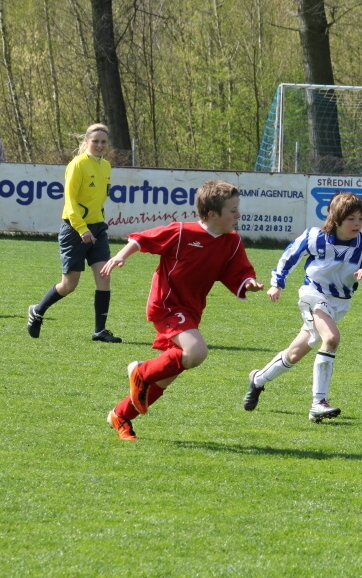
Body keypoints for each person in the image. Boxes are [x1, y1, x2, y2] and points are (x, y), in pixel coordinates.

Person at [100, 180, 265, 441]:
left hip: (191, 311)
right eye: (232, 210)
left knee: (168, 375)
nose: (238, 215)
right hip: (166, 305)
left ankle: (120, 416)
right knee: (196, 352)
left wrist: (249, 282)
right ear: (212, 214)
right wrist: (121, 255)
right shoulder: (181, 233)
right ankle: (140, 372)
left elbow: (240, 271)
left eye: (237, 209)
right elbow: (142, 239)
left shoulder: (231, 242)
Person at [243, 192, 362, 423]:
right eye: (351, 218)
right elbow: (290, 256)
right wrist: (276, 284)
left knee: (294, 353)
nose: (357, 223)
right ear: (337, 219)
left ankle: (257, 379)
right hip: (313, 295)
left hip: (340, 304)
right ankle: (318, 403)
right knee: (331, 338)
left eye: (360, 218)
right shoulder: (315, 237)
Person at [27, 123, 121, 342]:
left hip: (98, 229)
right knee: (69, 285)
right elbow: (70, 204)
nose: (99, 145)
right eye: (95, 141)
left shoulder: (106, 166)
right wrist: (82, 229)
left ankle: (100, 331)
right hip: (74, 229)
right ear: (86, 142)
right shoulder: (77, 165)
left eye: (103, 142)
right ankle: (37, 310)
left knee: (104, 278)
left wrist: (96, 226)